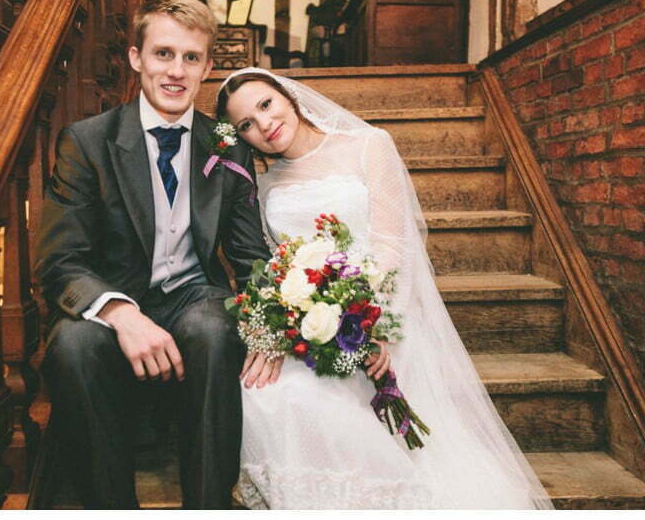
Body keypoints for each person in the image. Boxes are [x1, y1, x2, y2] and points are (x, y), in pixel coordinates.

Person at [216, 68, 554, 509]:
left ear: (288, 96)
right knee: (266, 395)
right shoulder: (264, 187)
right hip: (313, 326)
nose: (263, 124)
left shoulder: (368, 145)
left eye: (266, 105)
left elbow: (394, 245)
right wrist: (286, 326)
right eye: (245, 124)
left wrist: (371, 323)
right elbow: (281, 268)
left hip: (381, 315)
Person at [34, 0, 271, 509]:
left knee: (214, 328)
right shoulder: (88, 141)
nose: (176, 71)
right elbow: (59, 260)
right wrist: (120, 312)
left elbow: (251, 254)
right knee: (73, 347)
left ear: (208, 66)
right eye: (164, 53)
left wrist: (272, 329)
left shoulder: (228, 144)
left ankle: (208, 503)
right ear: (136, 58)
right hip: (111, 297)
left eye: (191, 58)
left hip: (192, 297)